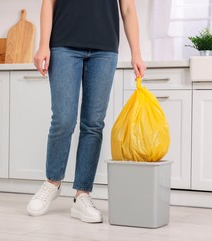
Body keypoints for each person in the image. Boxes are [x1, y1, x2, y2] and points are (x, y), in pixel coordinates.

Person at [27, 0, 146, 223]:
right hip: (63, 45)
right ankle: (52, 182)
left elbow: (128, 9)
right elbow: (48, 3)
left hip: (105, 49)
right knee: (63, 119)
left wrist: (136, 53)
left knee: (93, 124)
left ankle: (83, 194)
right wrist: (43, 44)